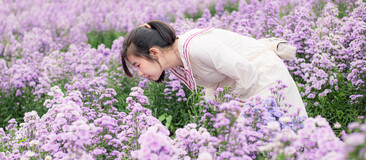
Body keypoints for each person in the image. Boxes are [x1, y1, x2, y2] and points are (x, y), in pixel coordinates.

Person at [121, 20, 307, 117]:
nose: (140, 73)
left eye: (138, 65)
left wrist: (237, 104)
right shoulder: (176, 64)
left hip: (263, 76)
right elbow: (215, 86)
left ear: (153, 52)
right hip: (245, 84)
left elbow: (245, 70)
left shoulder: (195, 47)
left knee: (285, 131)